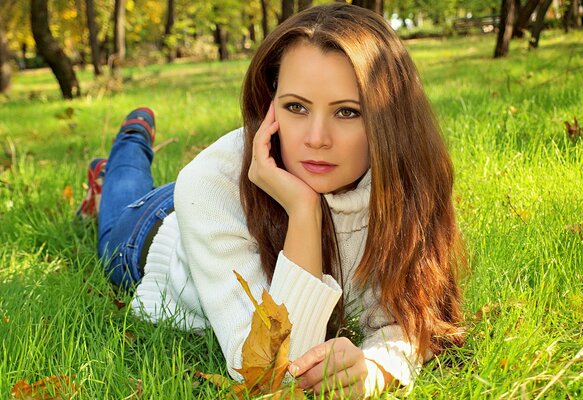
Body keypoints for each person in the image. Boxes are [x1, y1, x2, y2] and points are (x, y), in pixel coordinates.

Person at [79, 3, 465, 398]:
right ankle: (127, 146)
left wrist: (375, 369)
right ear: (270, 102)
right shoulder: (208, 183)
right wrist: (303, 210)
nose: (317, 138)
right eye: (296, 107)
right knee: (121, 197)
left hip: (218, 197)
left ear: (389, 120)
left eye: (347, 112)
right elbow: (270, 369)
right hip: (158, 230)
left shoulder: (406, 181)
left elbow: (412, 320)